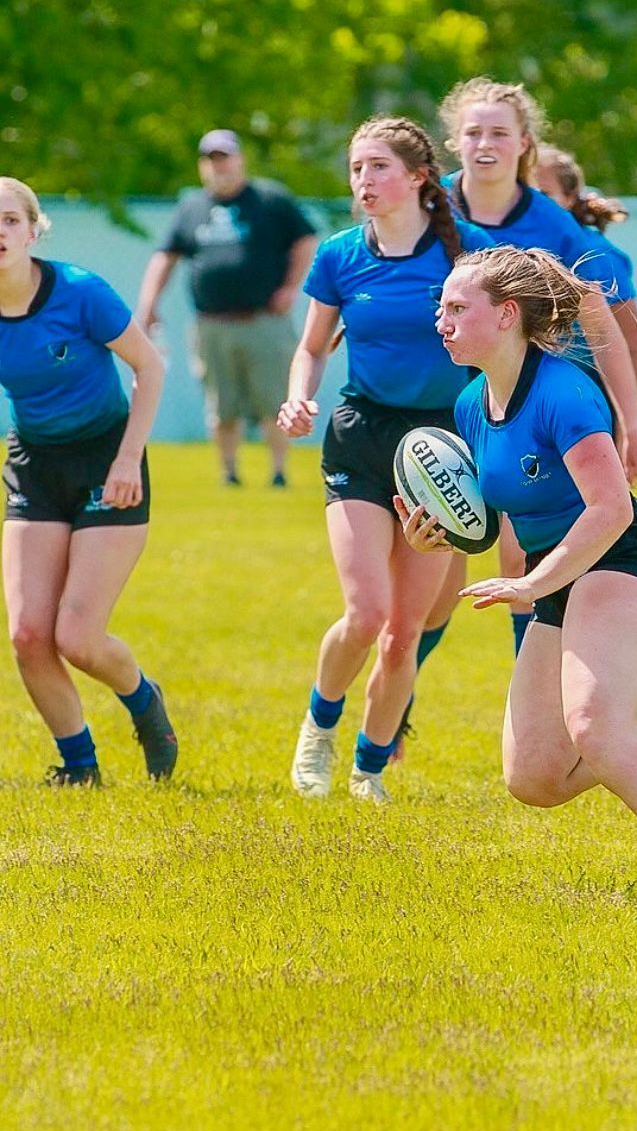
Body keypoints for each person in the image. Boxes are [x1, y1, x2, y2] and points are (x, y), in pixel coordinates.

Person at [398, 245, 637, 906]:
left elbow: (611, 508)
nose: (439, 320)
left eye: (454, 308)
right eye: (438, 308)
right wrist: (438, 533)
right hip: (558, 572)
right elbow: (493, 510)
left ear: (505, 315)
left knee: (593, 726)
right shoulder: (472, 404)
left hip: (625, 557)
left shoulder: (563, 392)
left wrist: (533, 584)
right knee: (535, 777)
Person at [278, 117, 495, 803]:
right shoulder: (340, 255)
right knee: (366, 612)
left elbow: (507, 345)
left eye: (377, 168)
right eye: (355, 169)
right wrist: (297, 398)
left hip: (443, 446)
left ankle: (369, 773)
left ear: (418, 177)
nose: (363, 182)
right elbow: (312, 347)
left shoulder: (470, 253)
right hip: (361, 437)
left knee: (405, 635)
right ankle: (318, 727)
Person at [435, 78, 637, 659]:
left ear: (524, 145)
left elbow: (608, 321)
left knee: (520, 552)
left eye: (499, 132)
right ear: (453, 141)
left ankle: (540, 676)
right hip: (451, 399)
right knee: (436, 574)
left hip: (534, 400)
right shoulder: (428, 207)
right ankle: (393, 709)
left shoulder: (553, 225)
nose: (485, 143)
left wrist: (633, 425)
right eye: (473, 131)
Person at [0, 177, 177, 785]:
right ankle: (79, 768)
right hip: (33, 463)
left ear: (32, 228)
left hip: (108, 456)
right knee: (27, 634)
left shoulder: (79, 292)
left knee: (76, 636)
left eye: (9, 221)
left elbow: (150, 368)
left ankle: (144, 702)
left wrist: (128, 460)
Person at [137, 129, 317, 488]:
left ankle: (279, 472)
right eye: (211, 159)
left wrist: (290, 287)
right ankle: (229, 473)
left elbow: (306, 240)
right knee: (221, 406)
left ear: (240, 160)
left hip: (264, 320)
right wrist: (148, 305)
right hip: (212, 324)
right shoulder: (192, 207)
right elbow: (165, 256)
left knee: (275, 399)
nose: (218, 166)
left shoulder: (269, 199)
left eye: (224, 157)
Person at [533, 143, 637, 407]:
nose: (534, 204)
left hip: (601, 399)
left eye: (544, 194)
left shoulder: (594, 253)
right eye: (526, 193)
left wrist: (632, 425)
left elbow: (636, 345)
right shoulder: (516, 251)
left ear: (570, 197)